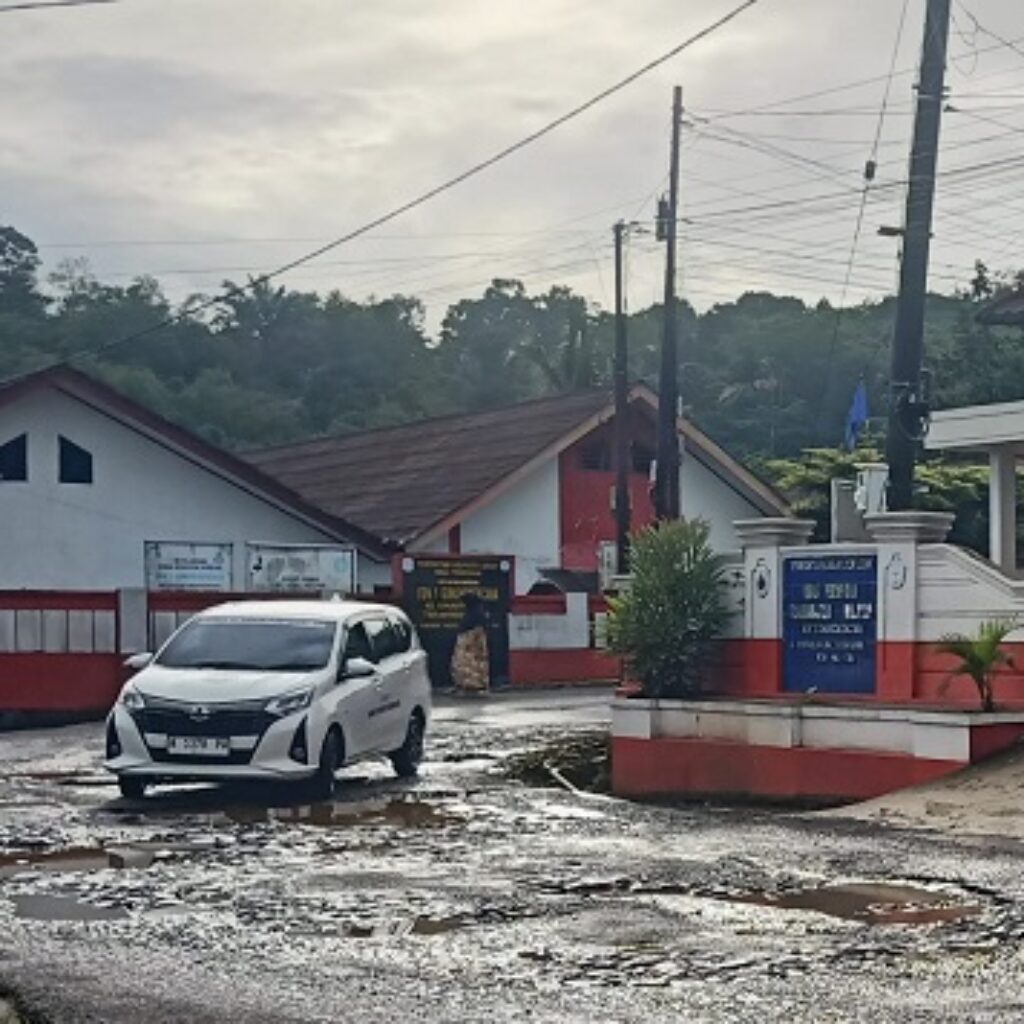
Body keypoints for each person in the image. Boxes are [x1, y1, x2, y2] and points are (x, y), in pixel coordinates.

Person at [450, 593, 490, 695]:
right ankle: (474, 685)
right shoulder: (478, 612)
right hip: (472, 641)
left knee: (466, 663)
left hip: (469, 641)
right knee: (474, 663)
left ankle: (470, 686)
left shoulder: (474, 613)